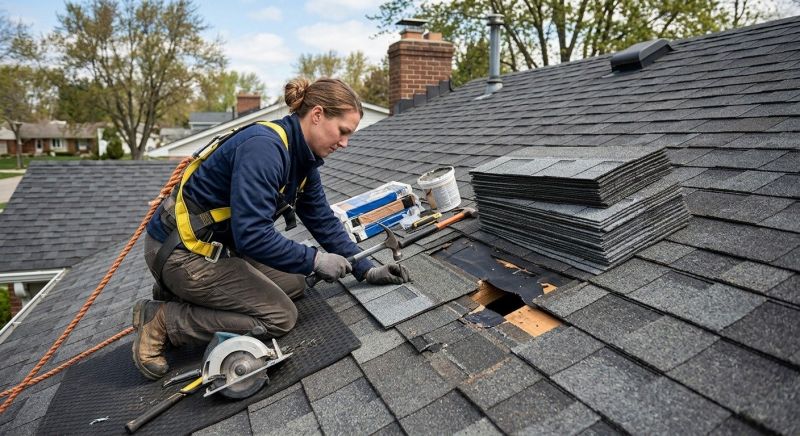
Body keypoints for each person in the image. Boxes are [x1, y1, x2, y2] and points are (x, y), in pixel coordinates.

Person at [132, 77, 411, 380]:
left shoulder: (302, 160)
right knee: (279, 316)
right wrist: (316, 259)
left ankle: (185, 294)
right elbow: (252, 235)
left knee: (296, 282)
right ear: (317, 115)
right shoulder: (264, 149)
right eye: (342, 131)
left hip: (216, 249)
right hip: (182, 253)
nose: (345, 143)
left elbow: (322, 220)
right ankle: (163, 321)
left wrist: (367, 270)